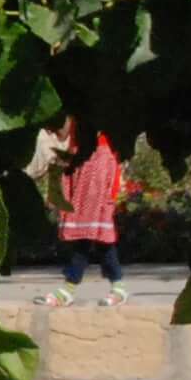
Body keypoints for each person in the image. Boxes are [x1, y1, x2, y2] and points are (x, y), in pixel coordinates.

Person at [52, 120, 126, 300]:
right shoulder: (77, 123)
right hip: (80, 169)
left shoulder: (103, 125)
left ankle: (69, 287)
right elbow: (63, 135)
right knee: (98, 238)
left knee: (88, 237)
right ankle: (118, 285)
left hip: (98, 172)